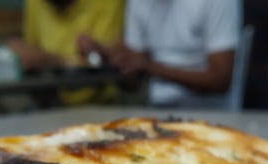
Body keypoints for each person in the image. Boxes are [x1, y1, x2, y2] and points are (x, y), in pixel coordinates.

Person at [83, 0, 241, 108]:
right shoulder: (138, 3)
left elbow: (221, 81)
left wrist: (151, 68)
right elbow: (133, 82)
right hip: (156, 108)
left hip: (211, 111)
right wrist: (110, 59)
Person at [6, 0, 124, 72]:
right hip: (49, 96)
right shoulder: (35, 2)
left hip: (103, 100)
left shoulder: (107, 2)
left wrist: (51, 60)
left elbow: (103, 64)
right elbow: (31, 55)